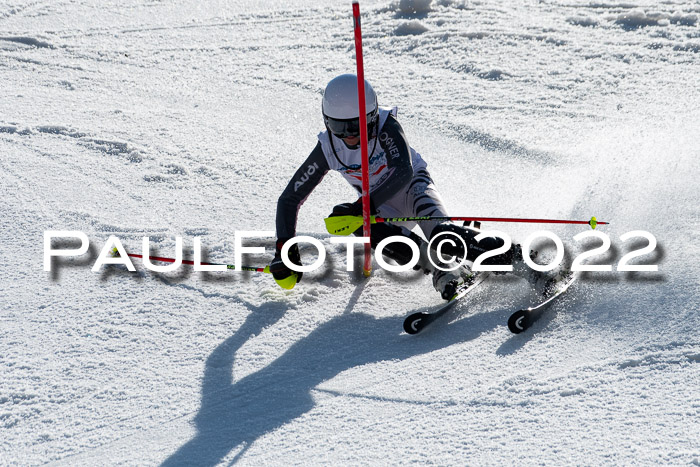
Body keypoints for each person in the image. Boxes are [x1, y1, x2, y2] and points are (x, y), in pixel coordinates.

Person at [270, 74, 558, 299]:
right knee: (344, 219)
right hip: (379, 206)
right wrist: (284, 249)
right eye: (338, 126)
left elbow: (404, 172)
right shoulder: (327, 148)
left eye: (355, 126)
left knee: (443, 235)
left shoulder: (386, 126)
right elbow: (289, 199)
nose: (348, 137)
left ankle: (526, 264)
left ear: (371, 116)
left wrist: (362, 206)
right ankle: (440, 267)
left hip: (413, 188)